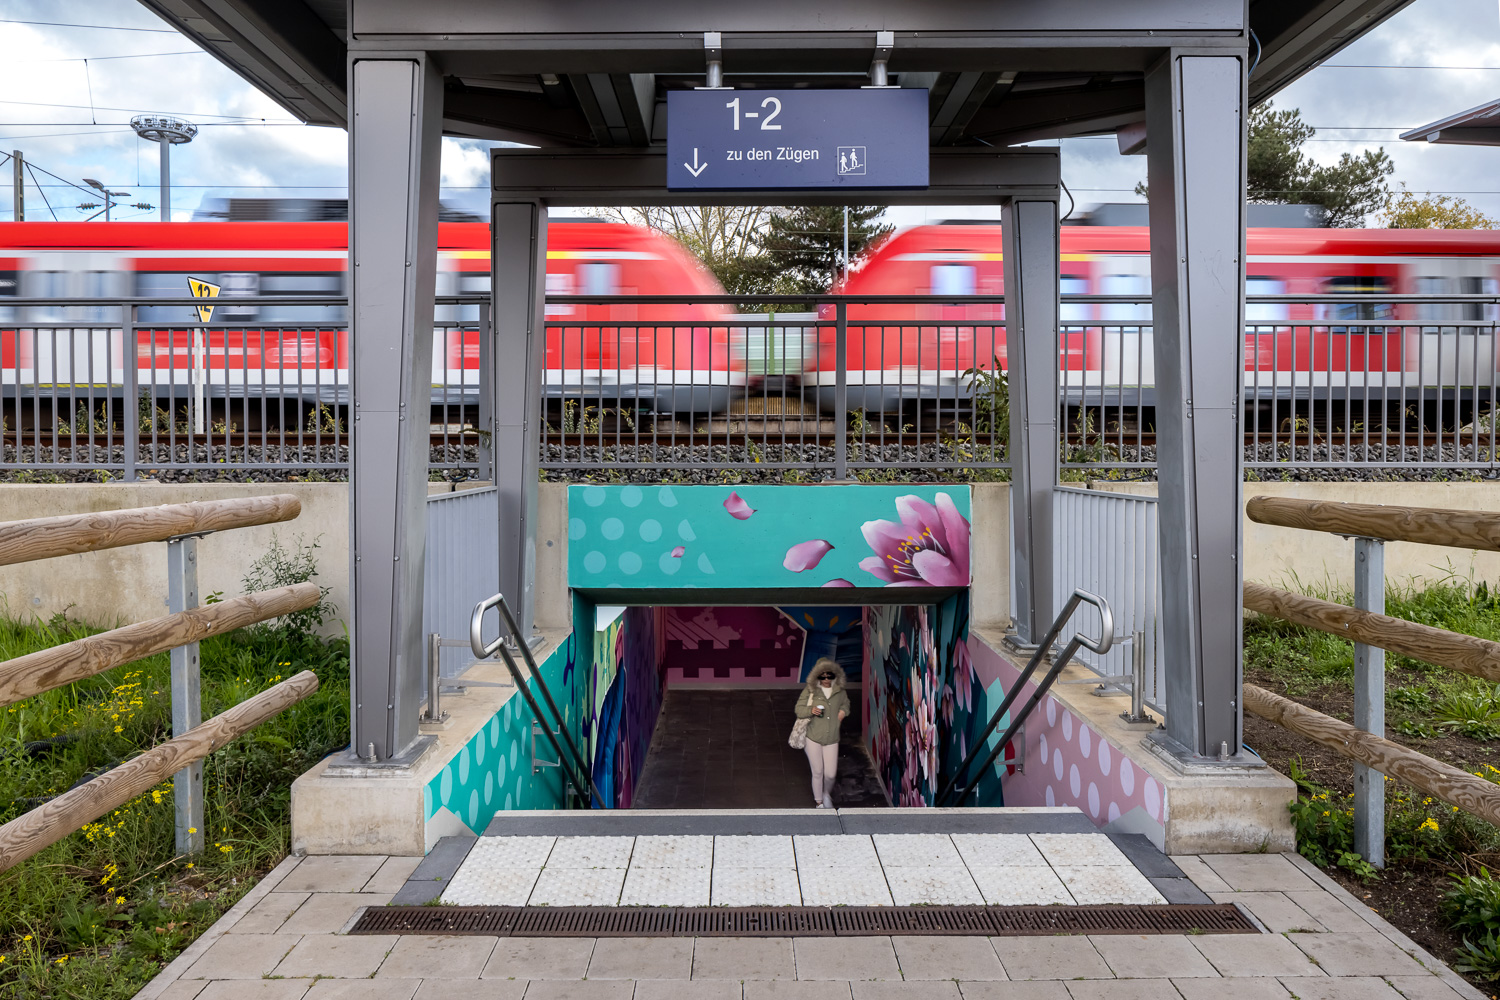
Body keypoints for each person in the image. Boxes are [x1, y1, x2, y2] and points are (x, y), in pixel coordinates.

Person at [794, 657, 850, 808]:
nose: (826, 678)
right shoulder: (810, 690)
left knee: (830, 774)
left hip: (832, 738)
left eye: (829, 674)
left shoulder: (840, 691)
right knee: (818, 771)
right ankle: (819, 802)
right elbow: (798, 709)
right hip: (813, 737)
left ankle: (826, 794)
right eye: (822, 675)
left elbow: (846, 704)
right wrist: (811, 710)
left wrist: (843, 712)